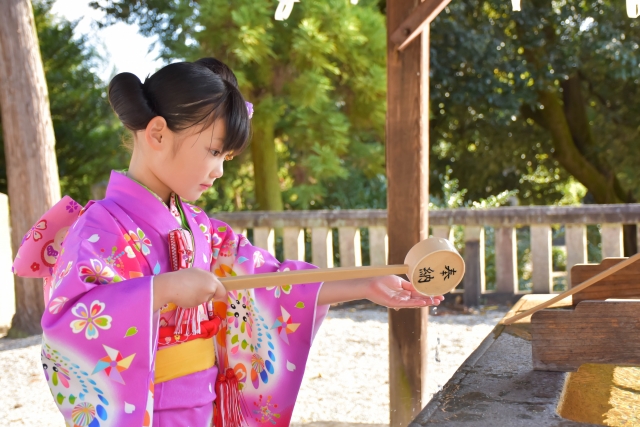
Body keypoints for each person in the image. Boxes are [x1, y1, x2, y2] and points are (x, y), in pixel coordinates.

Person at [12, 58, 443, 427]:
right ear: (158, 134)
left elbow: (271, 284)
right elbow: (68, 324)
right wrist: (161, 290)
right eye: (215, 151)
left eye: (224, 157)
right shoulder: (99, 229)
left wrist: (368, 285)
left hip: (206, 407)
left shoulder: (202, 231)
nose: (219, 170)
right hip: (148, 412)